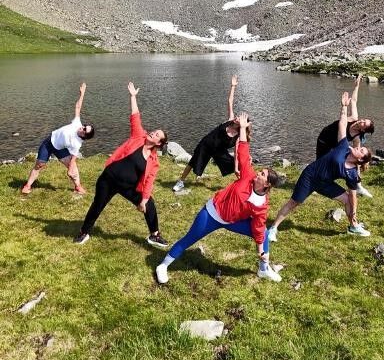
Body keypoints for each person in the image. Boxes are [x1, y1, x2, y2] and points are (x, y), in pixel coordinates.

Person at [156, 112, 282, 283]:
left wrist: (261, 252)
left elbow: (258, 228)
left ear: (266, 185)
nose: (257, 173)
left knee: (265, 234)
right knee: (189, 239)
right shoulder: (247, 175)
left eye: (261, 174)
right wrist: (243, 129)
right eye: (260, 171)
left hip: (232, 222)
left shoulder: (262, 203)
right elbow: (243, 150)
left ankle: (263, 269)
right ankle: (163, 266)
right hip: (212, 214)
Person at [268, 91, 372, 242]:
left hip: (325, 184)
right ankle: (273, 228)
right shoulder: (343, 147)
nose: (358, 147)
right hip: (310, 176)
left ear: (360, 159)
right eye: (360, 147)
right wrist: (343, 107)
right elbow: (342, 124)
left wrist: (354, 213)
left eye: (361, 150)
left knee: (348, 200)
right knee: (294, 202)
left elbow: (354, 196)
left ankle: (353, 226)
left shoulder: (352, 174)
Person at [74, 82, 168, 247]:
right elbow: (135, 116)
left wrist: (144, 200)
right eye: (154, 131)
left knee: (150, 204)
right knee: (98, 204)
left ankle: (154, 234)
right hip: (108, 179)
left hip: (129, 187)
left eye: (156, 135)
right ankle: (84, 232)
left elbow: (150, 181)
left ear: (159, 143)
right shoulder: (139, 136)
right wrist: (133, 97)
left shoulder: (153, 161)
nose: (153, 132)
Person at [22, 83, 94, 195]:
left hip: (60, 149)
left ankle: (78, 187)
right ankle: (27, 186)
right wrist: (82, 94)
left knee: (73, 166)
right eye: (85, 126)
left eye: (85, 129)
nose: (83, 127)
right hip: (49, 142)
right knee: (39, 165)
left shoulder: (77, 143)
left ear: (84, 136)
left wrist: (70, 169)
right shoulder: (77, 123)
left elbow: (74, 157)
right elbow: (78, 107)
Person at [172, 74, 241, 192]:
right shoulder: (230, 120)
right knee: (193, 162)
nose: (237, 117)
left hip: (219, 151)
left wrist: (235, 168)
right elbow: (230, 101)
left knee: (237, 166)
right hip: (206, 144)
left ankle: (243, 183)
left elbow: (236, 153)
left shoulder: (239, 137)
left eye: (240, 118)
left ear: (242, 124)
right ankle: (181, 182)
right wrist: (233, 86)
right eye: (238, 116)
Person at [316, 74, 374, 198]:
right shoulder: (354, 118)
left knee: (341, 162)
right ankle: (317, 182)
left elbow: (357, 158)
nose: (361, 121)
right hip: (324, 138)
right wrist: (357, 86)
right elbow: (353, 101)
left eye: (364, 123)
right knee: (320, 161)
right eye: (363, 119)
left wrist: (362, 163)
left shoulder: (357, 137)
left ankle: (357, 186)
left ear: (364, 129)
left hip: (335, 143)